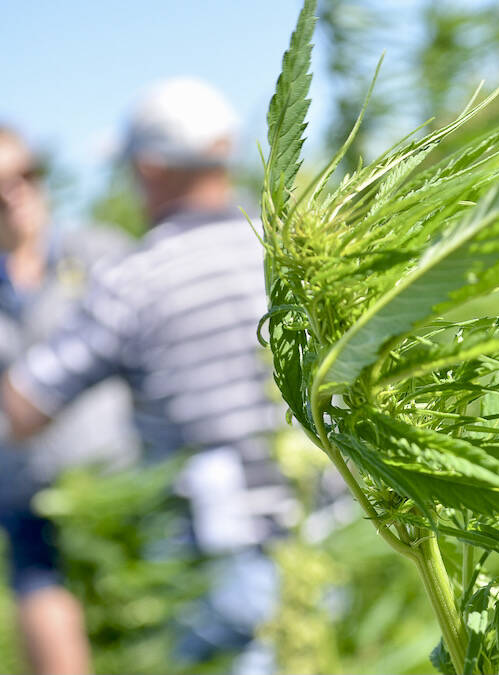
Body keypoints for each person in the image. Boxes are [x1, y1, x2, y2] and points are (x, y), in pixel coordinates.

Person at [0, 78, 292, 671]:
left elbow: (27, 405)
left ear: (150, 168)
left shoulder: (134, 276)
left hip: (211, 544)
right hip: (320, 523)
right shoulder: (283, 247)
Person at [0, 126, 138, 675]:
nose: (15, 193)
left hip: (120, 480)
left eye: (25, 175)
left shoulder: (100, 252)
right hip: (27, 493)